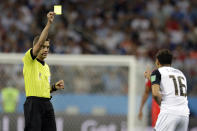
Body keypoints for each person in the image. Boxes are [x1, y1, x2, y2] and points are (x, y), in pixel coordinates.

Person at [22, 12, 64, 131]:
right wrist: (49, 23)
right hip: (33, 104)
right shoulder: (29, 59)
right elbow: (40, 42)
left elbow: (44, 90)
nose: (45, 49)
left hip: (46, 104)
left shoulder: (46, 67)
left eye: (47, 47)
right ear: (35, 47)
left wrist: (54, 87)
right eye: (42, 47)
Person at [144, 49, 190, 131]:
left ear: (157, 61)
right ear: (170, 62)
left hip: (169, 113)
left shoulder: (157, 72)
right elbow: (168, 82)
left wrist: (161, 105)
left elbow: (155, 93)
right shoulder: (181, 73)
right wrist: (150, 77)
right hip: (184, 114)